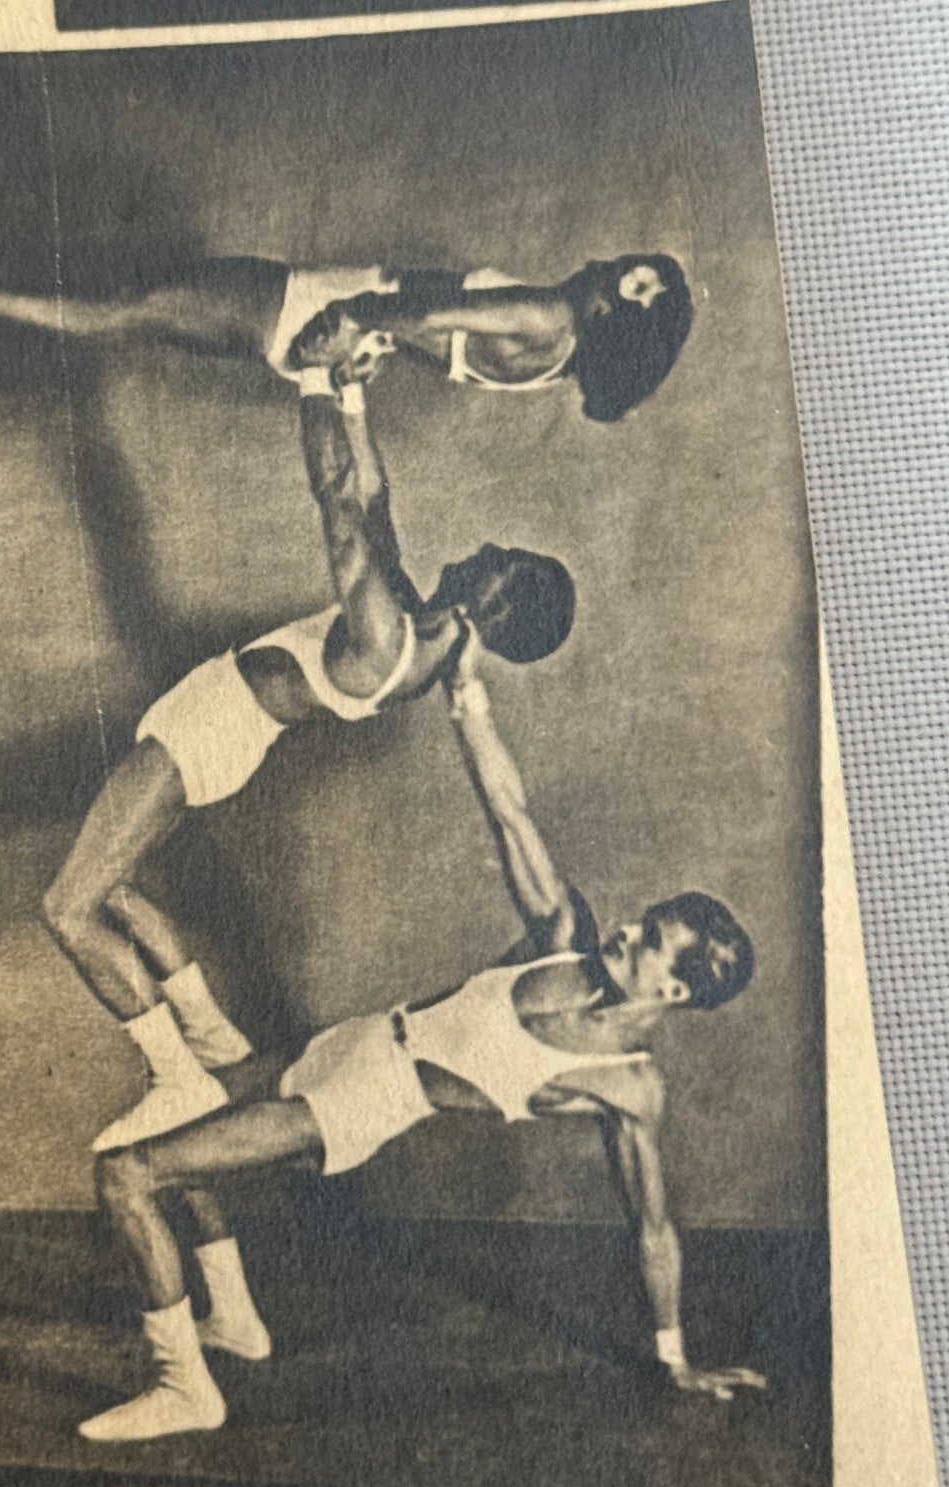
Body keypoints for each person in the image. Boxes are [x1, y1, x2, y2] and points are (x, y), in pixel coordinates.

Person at [76, 648, 764, 1443]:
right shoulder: (562, 936)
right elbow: (507, 809)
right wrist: (465, 686)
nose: (627, 930)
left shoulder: (627, 1084)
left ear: (673, 992)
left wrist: (673, 1356)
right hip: (345, 1044)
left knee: (128, 1173)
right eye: (644, 920)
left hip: (356, 1106)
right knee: (188, 1111)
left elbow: (653, 1227)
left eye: (649, 942)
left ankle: (186, 1391)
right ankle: (234, 1321)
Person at [43, 361, 575, 1155]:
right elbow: (376, 502)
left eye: (501, 556)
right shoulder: (420, 633)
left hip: (204, 738)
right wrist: (356, 397)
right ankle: (216, 1043)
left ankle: (176, 1076)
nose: (486, 545)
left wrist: (313, 378)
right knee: (115, 889)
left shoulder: (392, 638)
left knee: (68, 907)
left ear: (500, 595)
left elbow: (339, 502)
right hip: (212, 724)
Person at [0, 252, 692, 422]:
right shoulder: (556, 363)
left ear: (609, 312)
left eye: (622, 278)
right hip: (329, 344)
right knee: (147, 319)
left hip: (315, 308)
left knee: (136, 302)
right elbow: (437, 345)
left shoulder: (546, 314)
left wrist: (355, 321)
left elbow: (425, 316)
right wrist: (360, 349)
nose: (607, 264)